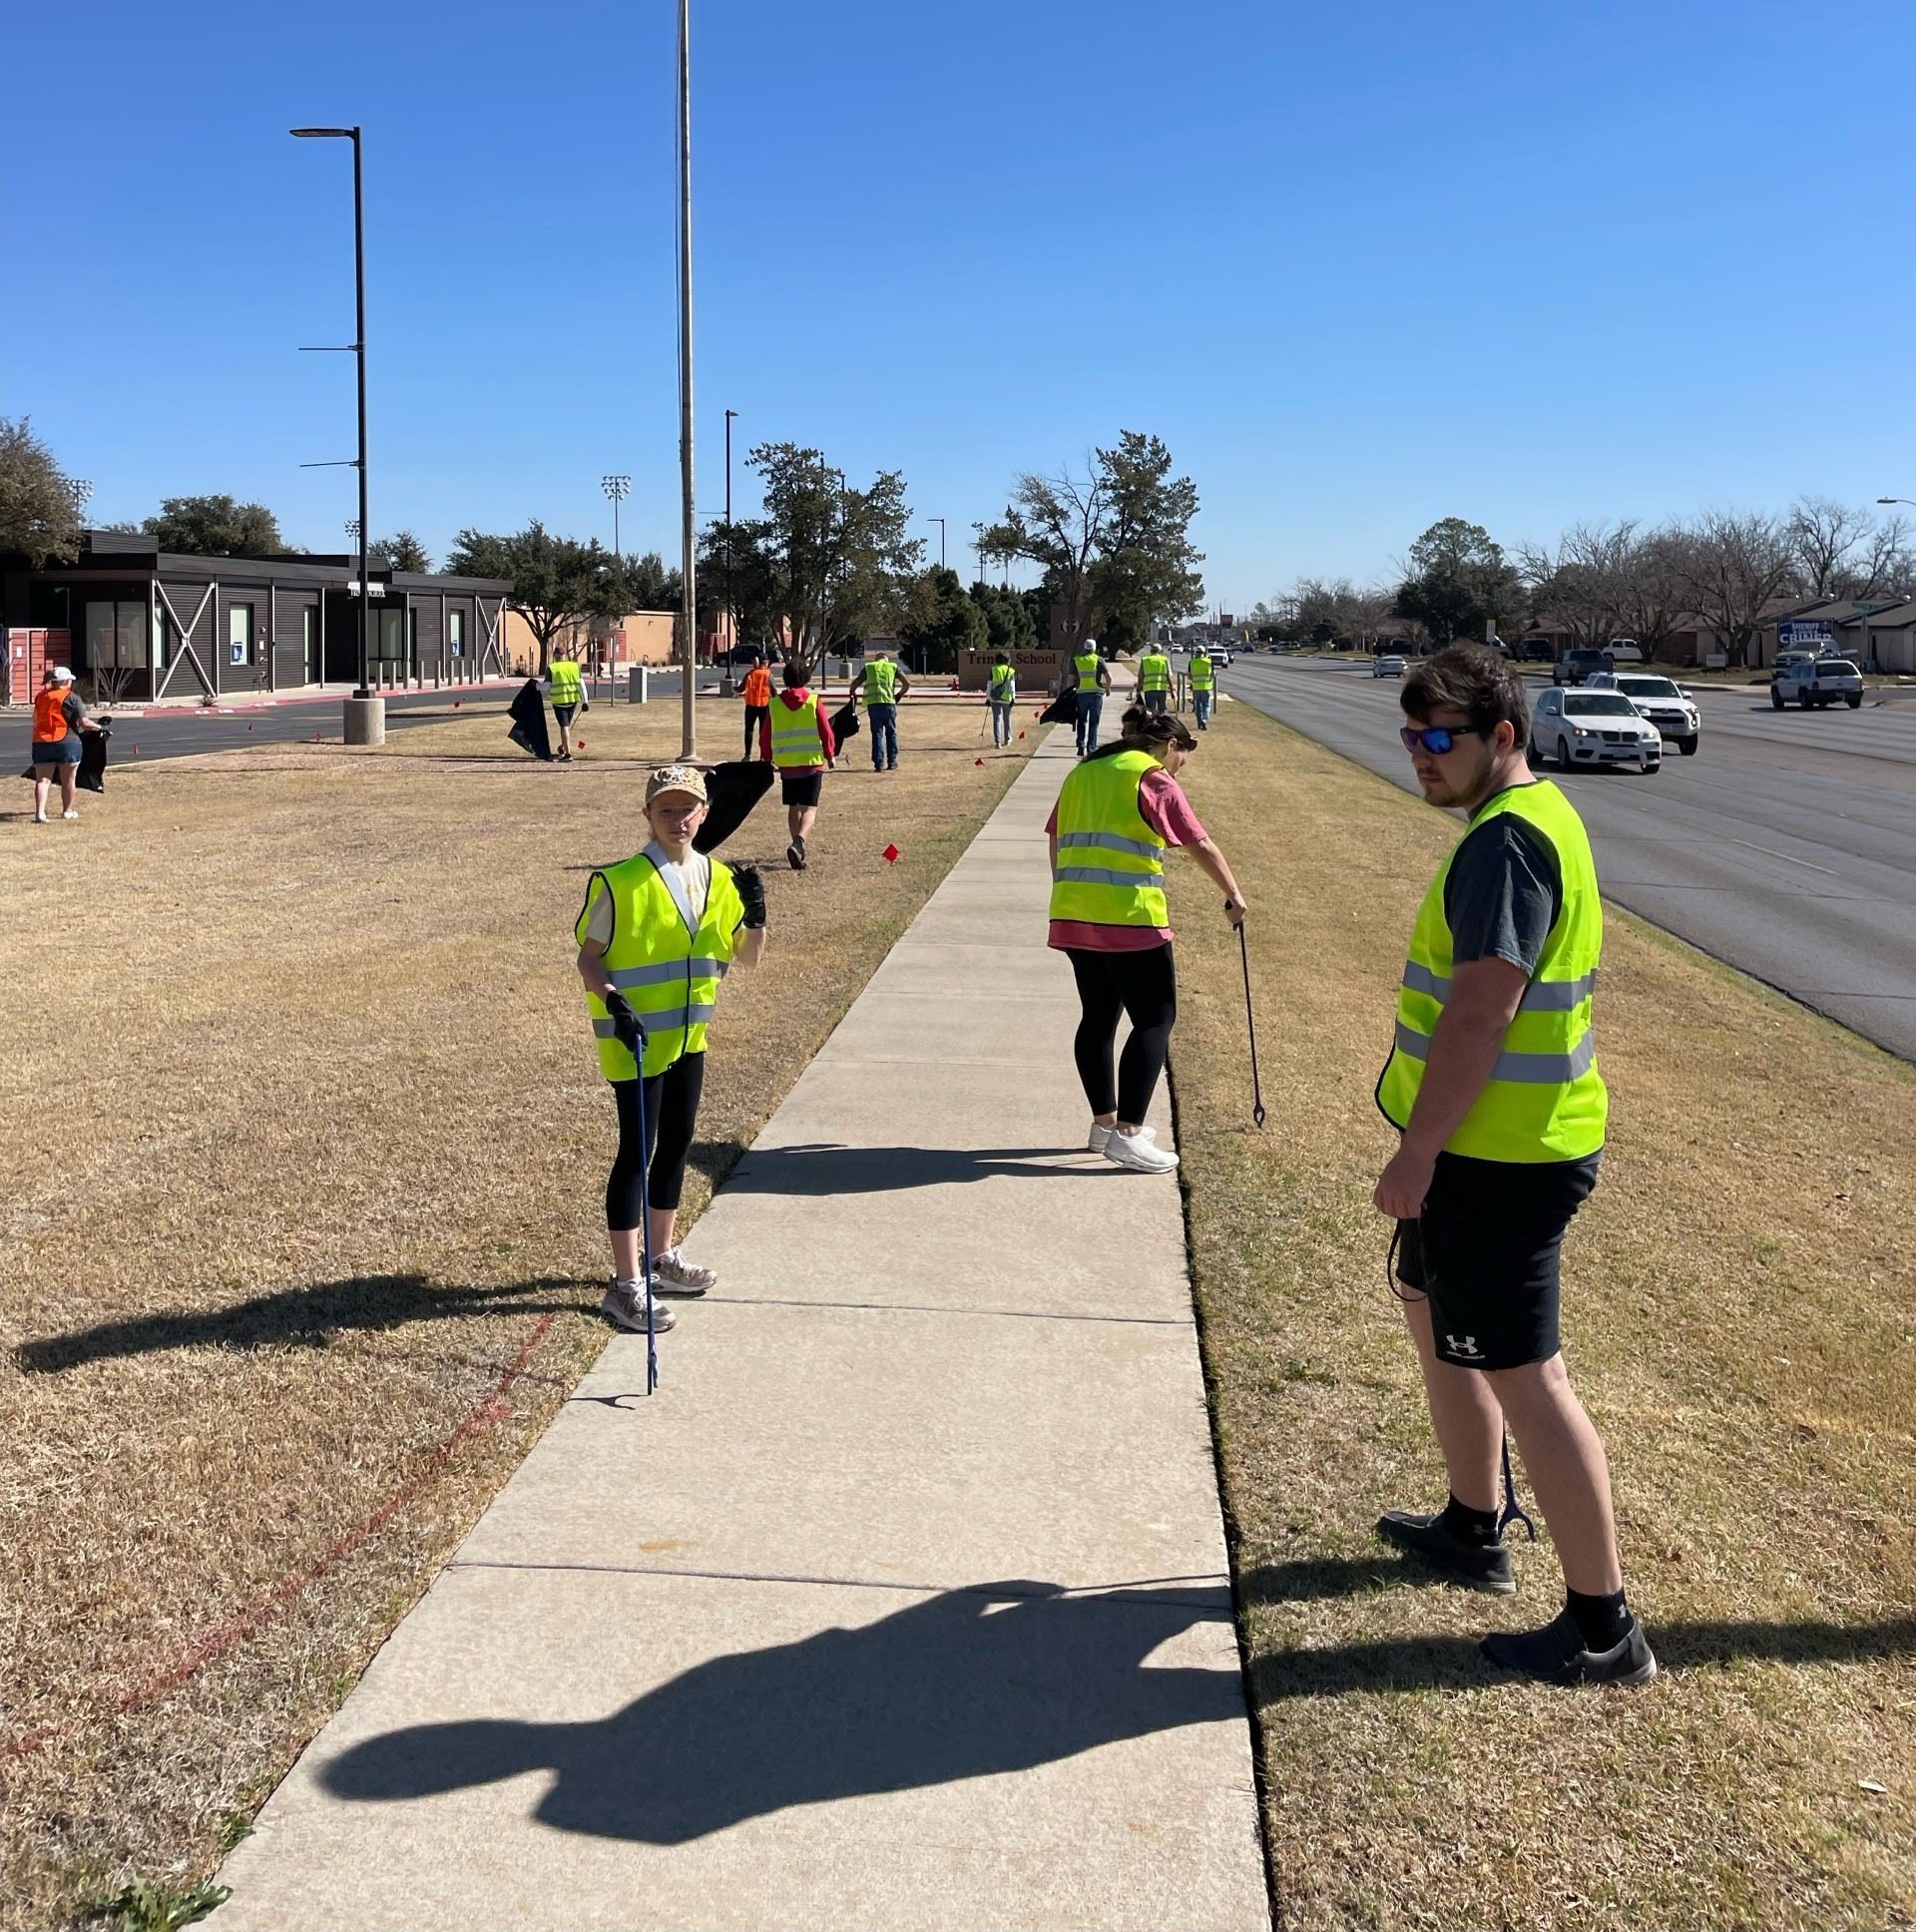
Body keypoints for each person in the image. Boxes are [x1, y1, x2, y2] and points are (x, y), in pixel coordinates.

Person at [1371, 646, 1654, 1688]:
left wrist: (1418, 1149)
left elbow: (1484, 1009)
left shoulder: (1508, 843)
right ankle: (1473, 1520)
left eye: (1437, 737)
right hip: (1492, 1147)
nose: (1419, 756)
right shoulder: (1528, 821)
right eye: (1409, 735)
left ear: (1502, 736)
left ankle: (1602, 1626)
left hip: (1503, 1155)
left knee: (1528, 1374)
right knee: (1426, 1296)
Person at [575, 765, 768, 1333]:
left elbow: (748, 958)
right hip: (634, 1038)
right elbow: (590, 957)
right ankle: (625, 1282)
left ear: (704, 814)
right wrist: (611, 1000)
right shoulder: (619, 882)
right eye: (665, 810)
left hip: (690, 1035)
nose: (677, 819)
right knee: (637, 1150)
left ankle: (660, 1258)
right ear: (647, 817)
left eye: (688, 809)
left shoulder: (719, 879)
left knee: (677, 1143)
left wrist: (756, 915)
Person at [1047, 704, 1248, 1174]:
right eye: (1182, 757)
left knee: (1097, 1017)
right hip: (1131, 916)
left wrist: (1067, 891)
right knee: (1156, 1019)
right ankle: (1129, 1136)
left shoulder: (1085, 770)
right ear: (1169, 745)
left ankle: (1104, 1124)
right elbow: (1198, 842)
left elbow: (1055, 835)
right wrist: (1233, 894)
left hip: (1075, 913)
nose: (1180, 768)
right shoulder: (1152, 777)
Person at [762, 660, 837, 869]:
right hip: (811, 763)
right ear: (806, 678)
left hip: (787, 765)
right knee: (810, 808)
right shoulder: (813, 701)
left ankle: (797, 851)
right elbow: (825, 730)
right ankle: (799, 842)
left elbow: (765, 734)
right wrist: (830, 754)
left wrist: (766, 758)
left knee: (793, 807)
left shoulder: (774, 704)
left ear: (785, 678)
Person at [30, 667, 105, 822]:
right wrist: (100, 727)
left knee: (42, 779)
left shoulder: (41, 696)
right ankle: (67, 811)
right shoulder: (72, 698)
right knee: (69, 779)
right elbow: (84, 723)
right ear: (65, 681)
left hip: (41, 741)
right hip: (67, 741)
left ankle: (40, 813)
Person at [857, 647, 912, 771]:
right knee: (891, 733)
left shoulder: (869, 667)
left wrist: (852, 693)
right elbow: (907, 683)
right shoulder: (893, 667)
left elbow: (856, 682)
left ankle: (878, 763)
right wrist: (899, 695)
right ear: (886, 660)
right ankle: (892, 761)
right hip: (889, 704)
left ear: (876, 659)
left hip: (873, 705)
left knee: (877, 734)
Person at [1072, 639, 1114, 756]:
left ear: (1084, 648)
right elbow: (1109, 678)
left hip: (1081, 695)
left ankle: (1080, 744)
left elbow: (1071, 679)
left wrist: (1073, 690)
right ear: (1094, 648)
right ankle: (1091, 748)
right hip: (1096, 695)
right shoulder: (1098, 660)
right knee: (1094, 722)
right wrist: (1107, 688)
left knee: (1081, 720)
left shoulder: (1077, 660)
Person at [545, 646, 587, 761]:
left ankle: (568, 754)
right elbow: (581, 684)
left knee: (564, 726)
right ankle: (562, 747)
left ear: (555, 655)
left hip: (559, 701)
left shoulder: (552, 668)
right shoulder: (574, 666)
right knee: (566, 726)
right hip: (573, 700)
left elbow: (546, 687)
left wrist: (537, 686)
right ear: (565, 654)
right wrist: (585, 701)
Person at [739, 653, 772, 761]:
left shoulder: (750, 674)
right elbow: (774, 690)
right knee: (763, 733)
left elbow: (740, 689)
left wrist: (734, 688)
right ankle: (763, 756)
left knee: (749, 730)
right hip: (765, 706)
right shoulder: (768, 675)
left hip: (750, 706)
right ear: (766, 662)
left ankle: (748, 755)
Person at [986, 653, 1017, 746]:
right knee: (1007, 718)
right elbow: (1012, 686)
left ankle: (997, 742)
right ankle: (1007, 739)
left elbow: (989, 685)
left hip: (995, 698)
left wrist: (988, 698)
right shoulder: (1011, 670)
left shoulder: (993, 669)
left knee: (997, 719)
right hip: (1007, 698)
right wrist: (1013, 698)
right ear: (1007, 660)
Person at [1137, 642, 1172, 714]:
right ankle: (1161, 724)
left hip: (1149, 690)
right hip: (1162, 690)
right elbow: (1168, 676)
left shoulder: (1145, 660)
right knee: (1162, 711)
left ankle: (1153, 724)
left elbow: (1140, 677)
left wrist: (1138, 690)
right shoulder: (1164, 659)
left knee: (1151, 711)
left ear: (1151, 650)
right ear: (1160, 651)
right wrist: (1171, 689)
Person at [1187, 645, 1216, 729]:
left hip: (1196, 687)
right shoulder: (1209, 661)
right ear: (1204, 653)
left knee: (1198, 706)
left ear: (1196, 653)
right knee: (1206, 705)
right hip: (1207, 687)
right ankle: (1204, 720)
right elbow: (1213, 674)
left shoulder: (1192, 662)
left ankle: (1199, 722)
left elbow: (1189, 676)